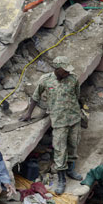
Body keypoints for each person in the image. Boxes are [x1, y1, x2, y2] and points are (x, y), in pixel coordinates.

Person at [19, 56, 85, 194]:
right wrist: (28, 113)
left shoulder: (73, 79)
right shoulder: (45, 80)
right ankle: (62, 179)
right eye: (65, 71)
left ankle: (71, 170)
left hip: (74, 118)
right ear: (58, 69)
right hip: (59, 121)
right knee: (60, 149)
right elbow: (36, 96)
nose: (68, 73)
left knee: (73, 145)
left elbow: (77, 95)